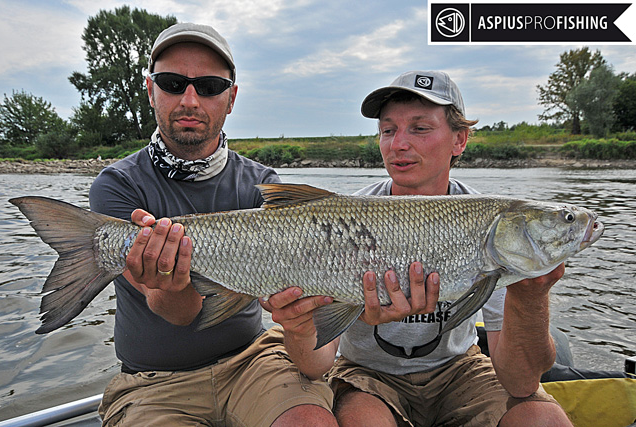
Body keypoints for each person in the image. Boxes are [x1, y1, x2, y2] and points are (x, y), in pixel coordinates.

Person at [264, 71, 573, 426]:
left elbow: (520, 384)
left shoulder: (494, 224)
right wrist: (298, 328)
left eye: (419, 128)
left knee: (544, 419)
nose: (397, 145)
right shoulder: (342, 219)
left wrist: (532, 297)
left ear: (459, 139)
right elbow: (315, 365)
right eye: (388, 130)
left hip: (459, 367)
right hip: (367, 374)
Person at [89, 23, 337, 426]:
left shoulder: (266, 186)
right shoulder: (117, 184)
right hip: (154, 384)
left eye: (208, 86)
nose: (190, 100)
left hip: (254, 362)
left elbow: (312, 351)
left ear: (231, 98)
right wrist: (169, 281)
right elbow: (177, 312)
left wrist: (300, 317)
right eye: (172, 83)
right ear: (151, 90)